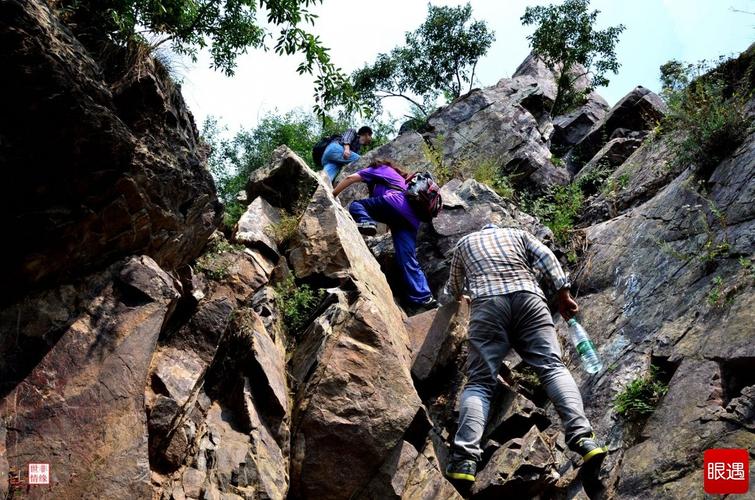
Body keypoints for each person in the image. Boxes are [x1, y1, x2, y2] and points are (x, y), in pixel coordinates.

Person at [440, 223, 607, 483]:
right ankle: (583, 439)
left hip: (488, 305)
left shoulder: (465, 244)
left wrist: (451, 301)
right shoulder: (517, 235)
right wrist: (563, 294)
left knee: (480, 384)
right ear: (497, 228)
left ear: (481, 231)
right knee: (553, 368)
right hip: (529, 300)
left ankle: (464, 461)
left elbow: (453, 289)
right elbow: (546, 257)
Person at [332, 159, 436, 313]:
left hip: (395, 204)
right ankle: (424, 297)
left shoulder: (379, 168)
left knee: (356, 205)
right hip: (411, 220)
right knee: (406, 258)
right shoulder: (402, 180)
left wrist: (331, 194)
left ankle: (366, 221)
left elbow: (350, 178)